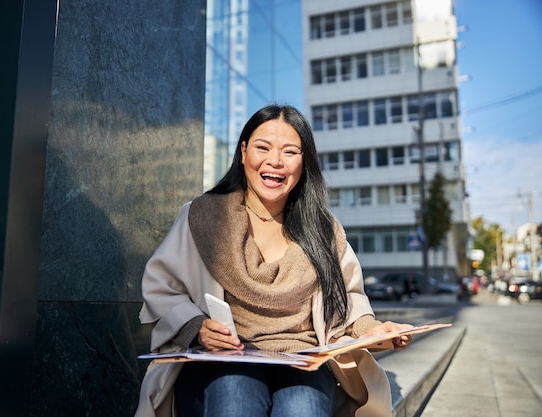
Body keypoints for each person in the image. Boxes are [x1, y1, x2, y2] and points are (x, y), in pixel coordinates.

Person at [135, 105, 413, 417]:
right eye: (262, 147)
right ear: (243, 152)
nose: (275, 162)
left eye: (290, 151)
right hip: (221, 361)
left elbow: (347, 300)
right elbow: (162, 289)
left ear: (304, 160)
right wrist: (197, 327)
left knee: (303, 408)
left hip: (303, 360)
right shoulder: (203, 216)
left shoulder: (323, 228)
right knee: (235, 397)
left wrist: (372, 329)